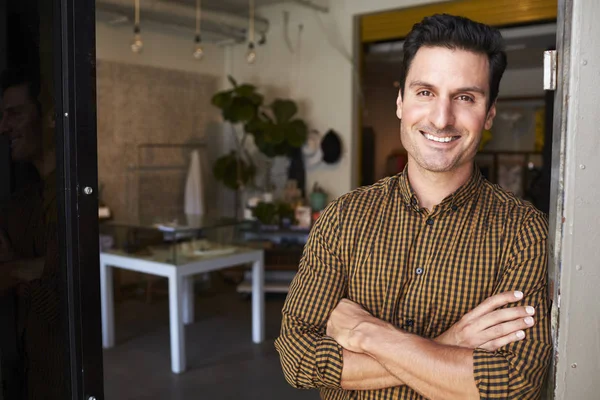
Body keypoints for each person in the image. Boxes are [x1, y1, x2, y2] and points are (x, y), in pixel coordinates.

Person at [275, 14, 551, 400]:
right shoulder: (343, 218)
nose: (442, 118)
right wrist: (449, 343)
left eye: (465, 97)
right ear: (401, 103)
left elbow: (513, 383)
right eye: (425, 92)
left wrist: (368, 334)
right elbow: (297, 359)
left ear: (489, 114)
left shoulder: (524, 232)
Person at [0, 67, 63, 400]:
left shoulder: (71, 199)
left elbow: (62, 303)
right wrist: (37, 267)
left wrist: (15, 267)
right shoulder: (19, 205)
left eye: (14, 114)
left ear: (51, 117)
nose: (3, 127)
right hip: (31, 373)